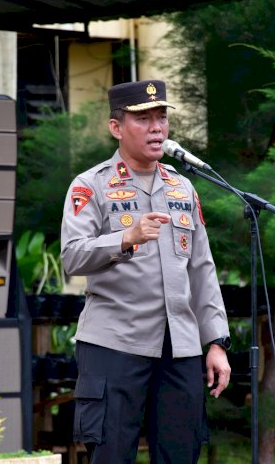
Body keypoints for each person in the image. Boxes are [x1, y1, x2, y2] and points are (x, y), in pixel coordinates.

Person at [60, 79, 231, 464]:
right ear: (116, 127)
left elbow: (202, 269)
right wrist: (125, 237)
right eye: (143, 119)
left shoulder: (183, 188)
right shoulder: (91, 186)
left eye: (161, 117)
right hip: (115, 345)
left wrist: (217, 341)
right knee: (112, 455)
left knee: (180, 455)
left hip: (180, 348)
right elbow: (72, 257)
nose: (156, 127)